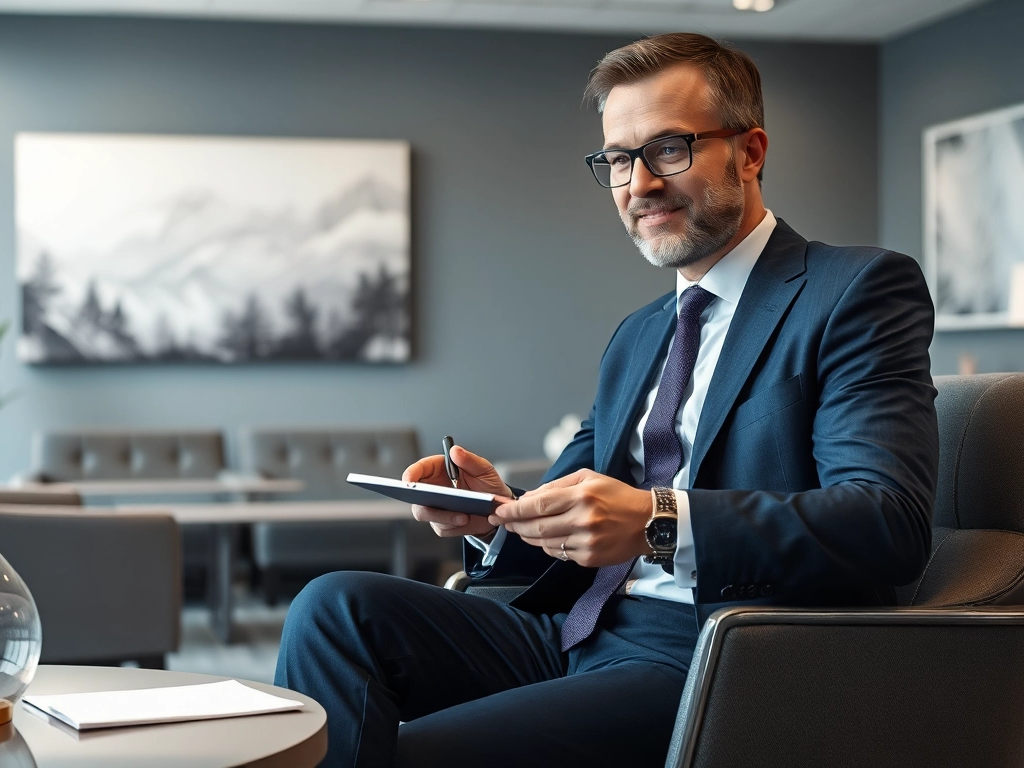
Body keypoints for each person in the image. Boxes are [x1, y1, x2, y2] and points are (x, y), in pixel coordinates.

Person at [276, 31, 937, 767]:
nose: (639, 183)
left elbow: (888, 521)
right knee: (331, 607)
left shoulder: (853, 291)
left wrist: (657, 521)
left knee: (416, 755)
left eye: (669, 149)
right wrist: (499, 512)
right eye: (620, 159)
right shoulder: (639, 334)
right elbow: (580, 519)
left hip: (723, 651)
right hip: (584, 627)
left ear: (750, 153)